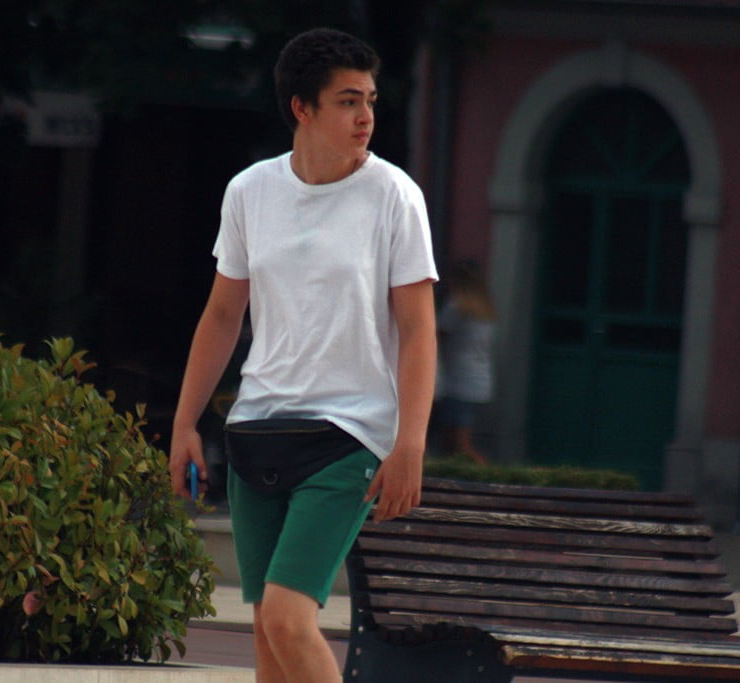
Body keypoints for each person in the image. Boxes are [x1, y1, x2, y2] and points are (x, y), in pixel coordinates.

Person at [168, 27, 437, 683]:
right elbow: (223, 314)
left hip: (348, 436)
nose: (366, 115)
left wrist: (410, 442)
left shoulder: (394, 195)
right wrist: (184, 423)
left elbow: (418, 330)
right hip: (257, 429)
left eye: (370, 99)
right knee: (268, 636)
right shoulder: (249, 192)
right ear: (302, 108)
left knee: (289, 619)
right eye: (348, 101)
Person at [436, 260, 495, 464]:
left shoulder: (456, 307)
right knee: (453, 442)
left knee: (460, 444)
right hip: (480, 380)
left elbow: (436, 337)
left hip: (458, 380)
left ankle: (486, 472)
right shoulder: (485, 310)